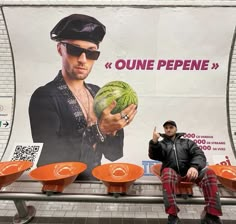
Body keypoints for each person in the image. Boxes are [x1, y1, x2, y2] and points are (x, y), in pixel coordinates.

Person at [29, 14, 137, 180]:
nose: (82, 60)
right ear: (60, 49)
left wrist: (115, 128)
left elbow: (113, 155)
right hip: (62, 189)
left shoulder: (98, 93)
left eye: (91, 53)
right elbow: (48, 158)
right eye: (74, 50)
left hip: (96, 184)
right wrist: (99, 130)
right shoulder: (44, 96)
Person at [148, 120, 223, 224]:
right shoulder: (162, 145)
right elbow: (154, 155)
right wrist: (154, 142)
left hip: (190, 174)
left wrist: (194, 167)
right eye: (166, 128)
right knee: (166, 172)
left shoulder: (187, 142)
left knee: (209, 173)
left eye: (171, 127)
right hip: (173, 175)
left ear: (176, 129)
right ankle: (173, 216)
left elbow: (199, 154)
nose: (168, 129)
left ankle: (211, 215)